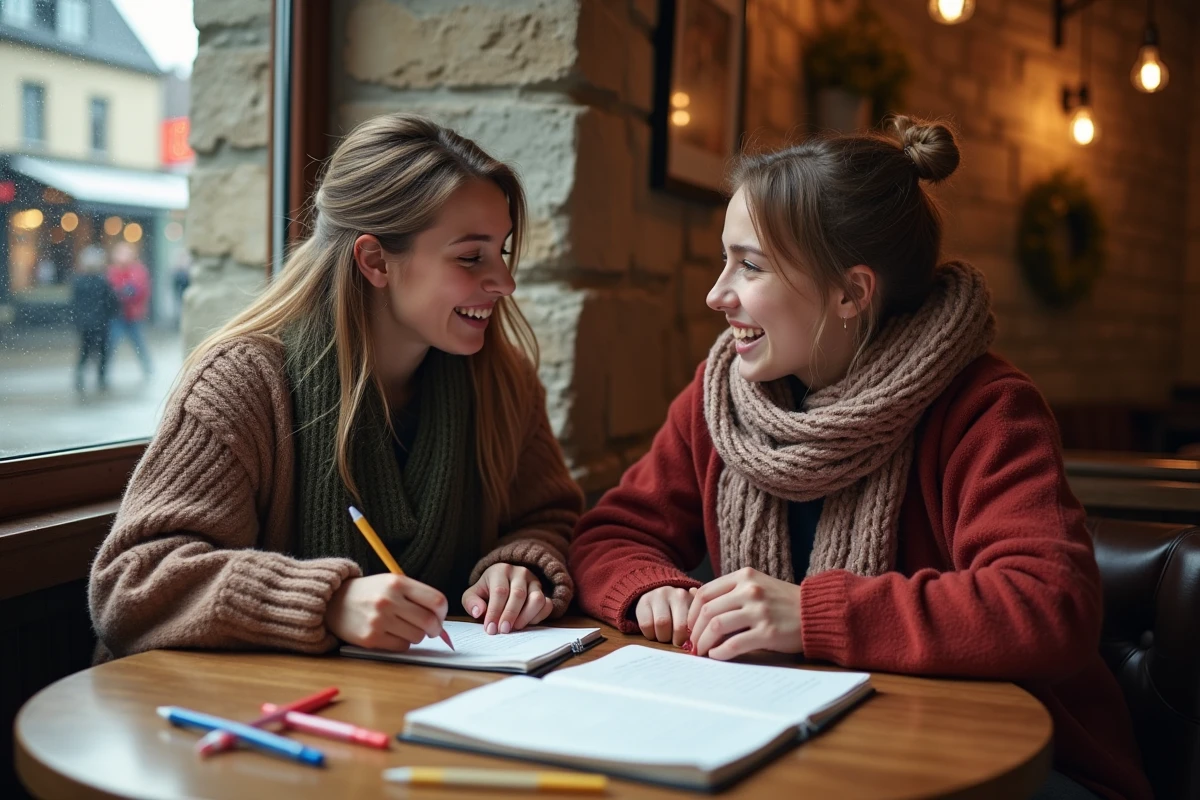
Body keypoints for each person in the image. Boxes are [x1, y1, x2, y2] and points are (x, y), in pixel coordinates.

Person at [569, 117, 1151, 800]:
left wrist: (808, 616)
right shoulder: (721, 397)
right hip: (800, 743)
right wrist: (647, 587)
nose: (716, 293)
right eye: (725, 259)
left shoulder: (985, 406)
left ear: (850, 293)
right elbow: (611, 534)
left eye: (750, 265)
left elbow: (1049, 605)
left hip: (1009, 768)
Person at [90, 113, 582, 660]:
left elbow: (547, 515)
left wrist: (518, 563)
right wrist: (327, 602)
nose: (505, 282)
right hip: (247, 719)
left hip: (425, 708)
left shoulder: (503, 380)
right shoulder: (241, 382)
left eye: (503, 251)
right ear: (375, 261)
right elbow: (130, 584)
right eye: (471, 257)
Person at [71, 245, 119, 393]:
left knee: (85, 350)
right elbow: (112, 302)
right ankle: (101, 377)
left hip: (88, 323)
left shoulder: (79, 281)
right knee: (101, 351)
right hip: (100, 322)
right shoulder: (102, 281)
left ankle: (81, 375)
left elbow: (74, 304)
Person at [106, 241, 153, 377]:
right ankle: (104, 372)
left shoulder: (138, 270)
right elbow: (111, 291)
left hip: (133, 315)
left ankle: (148, 368)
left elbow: (138, 290)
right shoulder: (112, 271)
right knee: (111, 344)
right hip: (117, 315)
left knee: (139, 343)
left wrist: (123, 292)